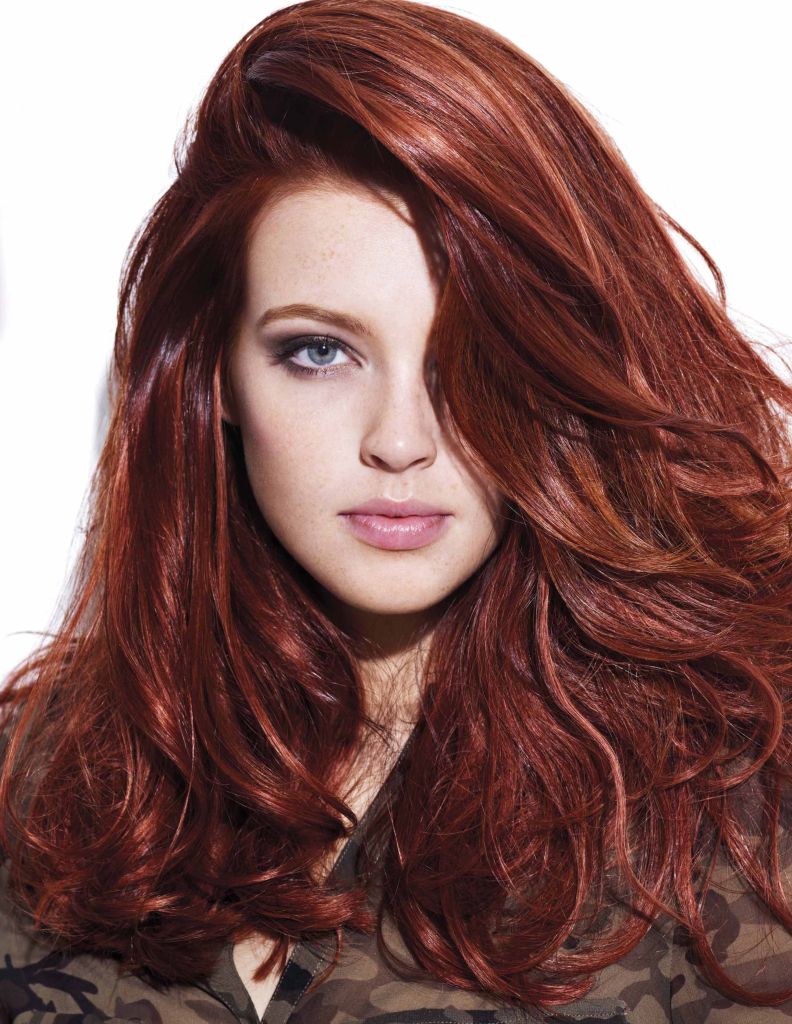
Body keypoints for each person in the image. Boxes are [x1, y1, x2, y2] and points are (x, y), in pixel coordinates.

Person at [2, 1, 792, 1021]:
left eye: (472, 357)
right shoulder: (41, 782)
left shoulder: (727, 797)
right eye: (319, 351)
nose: (401, 439)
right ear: (216, 375)